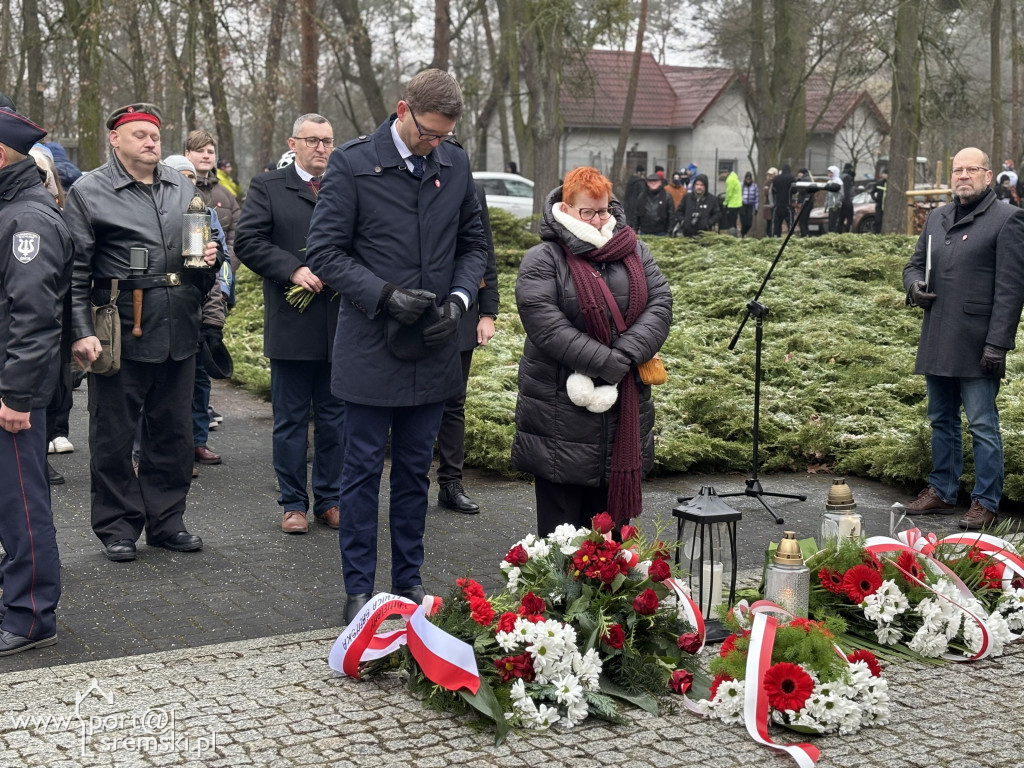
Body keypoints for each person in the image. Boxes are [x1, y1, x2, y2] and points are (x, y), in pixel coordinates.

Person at [304, 70, 488, 623]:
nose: (436, 144)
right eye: (429, 133)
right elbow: (326, 251)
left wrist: (458, 301)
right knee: (361, 472)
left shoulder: (454, 164)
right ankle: (359, 588)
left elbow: (474, 244)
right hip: (371, 344)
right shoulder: (353, 163)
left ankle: (407, 582)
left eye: (445, 136)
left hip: (434, 343)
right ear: (403, 110)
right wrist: (383, 296)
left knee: (414, 472)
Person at [65, 103, 222, 562]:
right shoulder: (90, 192)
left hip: (178, 327)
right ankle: (117, 525)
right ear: (115, 139)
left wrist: (208, 267)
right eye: (138, 135)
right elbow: (74, 272)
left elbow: (199, 269)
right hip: (118, 331)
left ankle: (167, 520)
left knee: (172, 434)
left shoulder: (183, 189)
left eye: (154, 135)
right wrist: (79, 331)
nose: (151, 142)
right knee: (113, 437)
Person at [511, 166, 672, 535]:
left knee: (612, 541)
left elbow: (660, 303)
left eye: (605, 211)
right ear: (566, 210)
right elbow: (545, 324)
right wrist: (605, 361)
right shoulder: (544, 258)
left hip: (623, 409)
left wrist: (624, 356)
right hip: (559, 414)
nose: (600, 219)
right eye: (589, 212)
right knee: (562, 541)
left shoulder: (634, 250)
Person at [901, 147, 1024, 530]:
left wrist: (997, 344)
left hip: (977, 341)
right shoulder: (937, 217)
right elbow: (914, 264)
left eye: (972, 169)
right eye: (958, 170)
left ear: (989, 176)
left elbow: (1011, 289)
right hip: (937, 334)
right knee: (941, 419)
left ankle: (985, 501)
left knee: (982, 423)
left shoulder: (1008, 219)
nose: (963, 175)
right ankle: (942, 490)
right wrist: (914, 286)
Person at [235, 113, 345, 535]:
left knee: (336, 420)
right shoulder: (268, 186)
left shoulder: (345, 185)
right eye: (313, 140)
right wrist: (293, 269)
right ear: (293, 143)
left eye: (328, 141)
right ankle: (294, 503)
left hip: (340, 325)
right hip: (293, 324)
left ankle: (330, 500)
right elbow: (248, 241)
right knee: (291, 420)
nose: (321, 148)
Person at [0, 109, 72, 656]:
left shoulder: (28, 220)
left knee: (22, 505)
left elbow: (34, 316)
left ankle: (30, 618)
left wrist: (18, 397)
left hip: (11, 393)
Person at [435, 185, 499, 514]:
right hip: (410, 307)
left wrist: (487, 313)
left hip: (461, 310)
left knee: (453, 403)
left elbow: (482, 248)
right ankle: (412, 484)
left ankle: (450, 483)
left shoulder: (470, 189)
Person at [770, 164, 795, 237]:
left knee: (776, 224)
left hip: (778, 205)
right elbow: (794, 190)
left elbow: (773, 191)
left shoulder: (776, 179)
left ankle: (775, 237)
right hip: (788, 204)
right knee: (790, 225)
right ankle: (791, 238)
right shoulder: (792, 178)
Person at [623, 164, 647, 231]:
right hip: (637, 206)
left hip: (628, 206)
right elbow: (642, 195)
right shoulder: (641, 182)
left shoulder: (630, 181)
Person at [837, 162, 855, 233]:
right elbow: (846, 190)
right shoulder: (847, 177)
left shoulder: (841, 176)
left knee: (841, 219)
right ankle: (847, 233)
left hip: (841, 201)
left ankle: (838, 233)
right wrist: (847, 201)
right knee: (849, 219)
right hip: (847, 202)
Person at [722, 169, 742, 236]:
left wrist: (725, 203)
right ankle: (735, 234)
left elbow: (729, 193)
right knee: (734, 221)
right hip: (738, 203)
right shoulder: (735, 178)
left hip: (732, 204)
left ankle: (732, 236)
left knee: (731, 222)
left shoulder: (730, 180)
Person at [739, 171, 758, 237]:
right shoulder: (741, 185)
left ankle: (744, 233)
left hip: (750, 206)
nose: (748, 181)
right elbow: (738, 195)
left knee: (749, 223)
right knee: (744, 222)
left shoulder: (754, 186)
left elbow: (756, 198)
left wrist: (756, 208)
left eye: (749, 179)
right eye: (747, 179)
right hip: (742, 206)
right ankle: (743, 234)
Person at [825, 165, 843, 234]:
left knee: (834, 222)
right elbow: (827, 194)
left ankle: (834, 234)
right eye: (828, 172)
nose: (829, 174)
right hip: (830, 205)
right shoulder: (829, 182)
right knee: (830, 222)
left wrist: (836, 203)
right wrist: (826, 203)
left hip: (836, 206)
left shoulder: (839, 182)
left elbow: (841, 194)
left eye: (831, 172)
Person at [763, 166, 777, 237]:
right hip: (768, 206)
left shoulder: (777, 183)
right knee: (768, 222)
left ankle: (773, 235)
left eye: (772, 174)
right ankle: (768, 235)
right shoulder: (767, 183)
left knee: (773, 222)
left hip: (775, 205)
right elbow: (765, 192)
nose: (770, 176)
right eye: (769, 174)